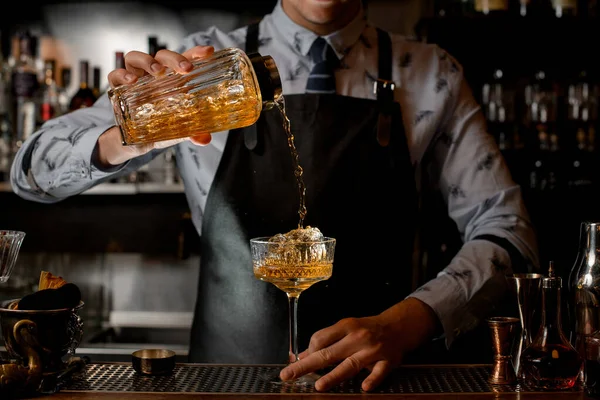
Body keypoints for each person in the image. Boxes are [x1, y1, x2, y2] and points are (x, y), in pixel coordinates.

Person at [10, 0, 539, 392]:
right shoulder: (201, 68)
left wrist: (413, 321)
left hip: (382, 383)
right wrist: (136, 129)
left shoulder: (432, 74)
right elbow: (30, 172)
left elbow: (510, 233)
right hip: (223, 382)